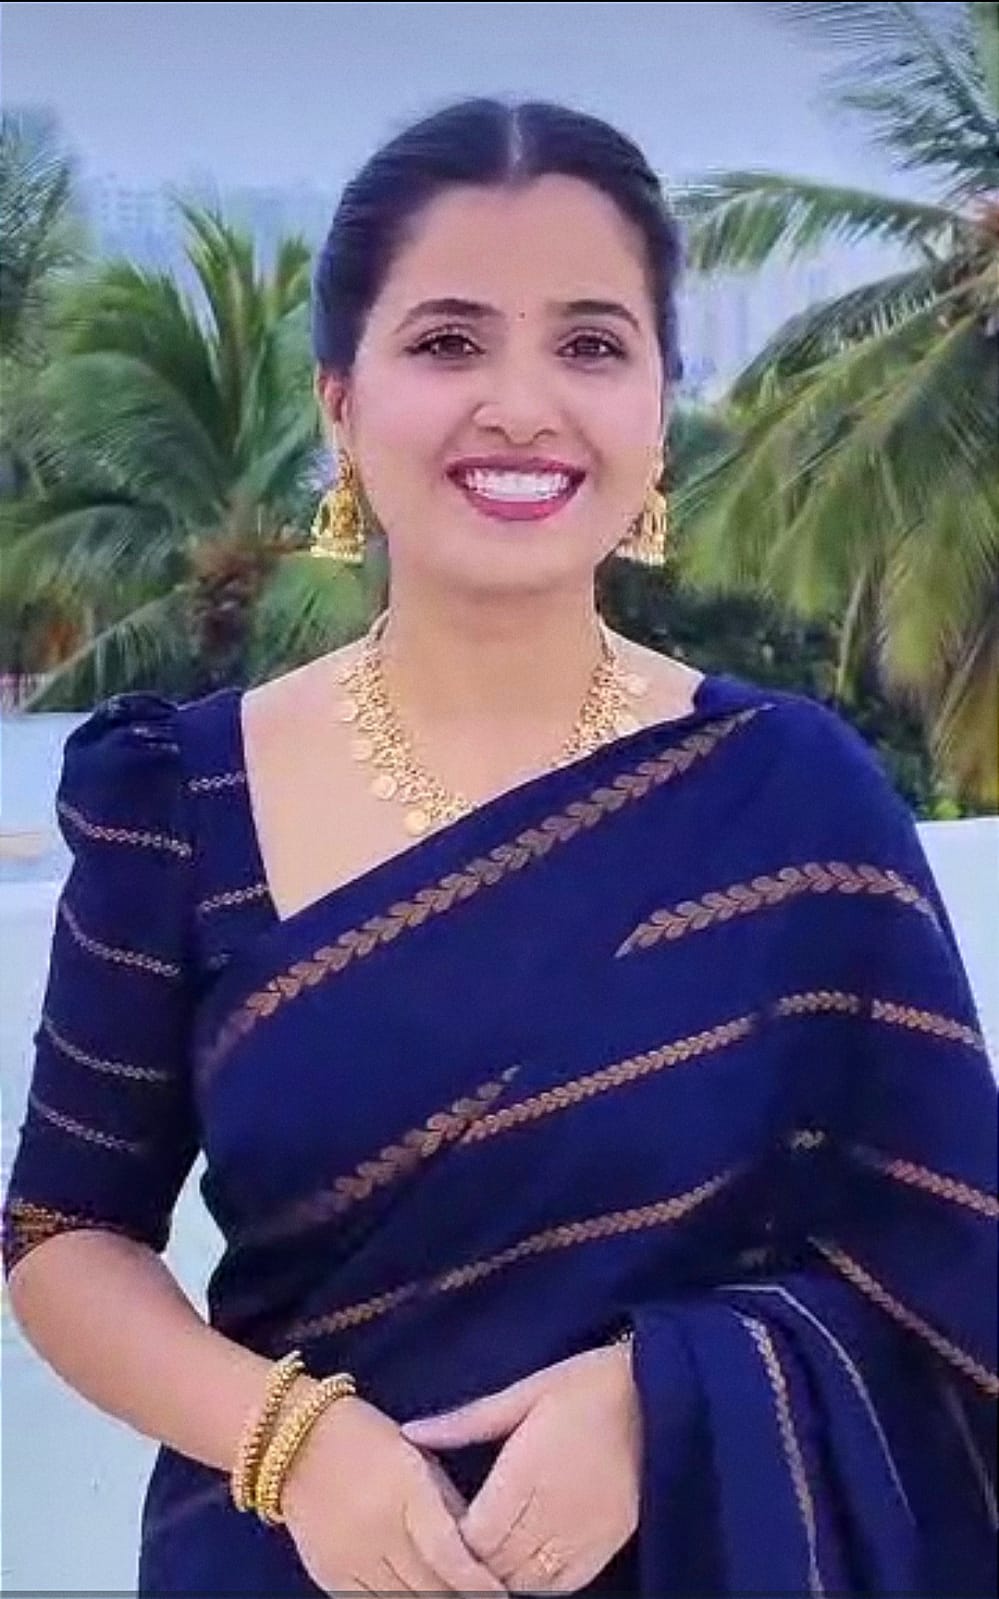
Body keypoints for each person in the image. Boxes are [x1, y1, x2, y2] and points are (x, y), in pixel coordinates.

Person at [2, 96, 996, 1598]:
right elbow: (68, 1233)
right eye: (449, 342)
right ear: (341, 402)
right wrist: (294, 1443)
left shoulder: (796, 804)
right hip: (291, 1561)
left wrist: (665, 1405)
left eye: (592, 345)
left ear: (661, 402)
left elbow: (944, 1262)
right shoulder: (181, 800)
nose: (522, 405)